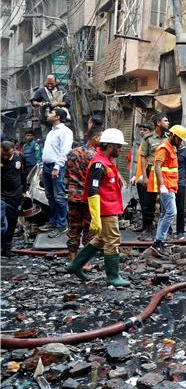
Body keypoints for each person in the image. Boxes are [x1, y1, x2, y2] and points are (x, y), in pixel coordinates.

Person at [66, 128, 130, 286]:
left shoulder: (106, 163)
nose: (121, 150)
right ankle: (113, 277)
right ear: (110, 146)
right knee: (112, 240)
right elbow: (93, 190)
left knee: (101, 239)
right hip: (105, 209)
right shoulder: (99, 164)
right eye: (119, 147)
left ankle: (75, 265)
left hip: (110, 207)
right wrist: (95, 217)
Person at [150, 125, 186, 257]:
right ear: (173, 136)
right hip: (166, 185)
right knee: (171, 212)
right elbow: (157, 167)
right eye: (179, 139)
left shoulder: (171, 148)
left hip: (170, 185)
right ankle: (159, 241)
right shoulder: (164, 148)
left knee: (165, 213)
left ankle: (159, 241)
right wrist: (161, 185)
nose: (180, 142)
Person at [65, 127, 101, 263]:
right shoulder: (95, 156)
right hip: (88, 196)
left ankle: (72, 257)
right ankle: (85, 262)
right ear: (95, 138)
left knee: (73, 226)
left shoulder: (72, 153)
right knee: (88, 228)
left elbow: (67, 174)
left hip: (73, 194)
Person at [39, 108, 74, 237]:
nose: (48, 115)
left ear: (58, 117)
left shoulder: (65, 132)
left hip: (56, 167)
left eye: (51, 113)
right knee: (50, 196)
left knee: (59, 197)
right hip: (47, 166)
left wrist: (57, 167)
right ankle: (53, 221)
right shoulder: (51, 132)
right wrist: (42, 168)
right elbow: (47, 152)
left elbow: (65, 151)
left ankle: (62, 225)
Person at [138, 114, 169, 240]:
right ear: (158, 123)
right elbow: (143, 157)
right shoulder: (148, 138)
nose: (168, 123)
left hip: (164, 173)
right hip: (151, 172)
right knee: (148, 204)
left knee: (165, 203)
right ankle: (147, 229)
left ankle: (164, 230)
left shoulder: (169, 138)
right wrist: (144, 177)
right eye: (165, 121)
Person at [1, 141, 25, 257]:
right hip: (1, 196)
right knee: (2, 223)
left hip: (15, 196)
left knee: (11, 223)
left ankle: (6, 248)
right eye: (3, 154)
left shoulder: (19, 157)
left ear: (13, 150)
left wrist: (24, 190)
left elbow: (23, 174)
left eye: (8, 154)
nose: (6, 156)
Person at [129, 123, 152, 227]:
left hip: (146, 178)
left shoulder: (151, 143)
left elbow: (149, 162)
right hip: (140, 178)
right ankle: (144, 227)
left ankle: (147, 228)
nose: (142, 131)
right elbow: (139, 162)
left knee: (147, 205)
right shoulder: (142, 143)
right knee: (142, 204)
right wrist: (135, 175)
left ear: (150, 131)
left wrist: (144, 175)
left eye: (145, 129)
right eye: (141, 129)